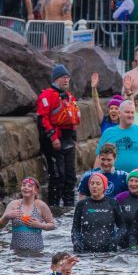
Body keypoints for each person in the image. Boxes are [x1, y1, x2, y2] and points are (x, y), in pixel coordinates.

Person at [36, 64, 81, 207]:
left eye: (67, 77)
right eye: (63, 77)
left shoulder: (69, 97)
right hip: (54, 141)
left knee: (71, 177)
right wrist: (53, 137)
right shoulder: (47, 95)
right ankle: (53, 208)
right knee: (57, 177)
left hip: (68, 141)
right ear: (55, 79)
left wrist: (74, 139)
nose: (66, 80)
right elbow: (42, 119)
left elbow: (72, 120)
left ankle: (68, 207)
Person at [96, 101, 138, 174]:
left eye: (132, 113)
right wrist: (95, 176)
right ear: (119, 113)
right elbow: (99, 157)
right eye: (127, 112)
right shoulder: (108, 133)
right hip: (113, 178)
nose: (130, 115)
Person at [72, 173, 126, 253]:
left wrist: (115, 240)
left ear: (104, 186)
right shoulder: (81, 205)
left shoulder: (113, 203)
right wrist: (76, 241)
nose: (94, 186)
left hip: (108, 251)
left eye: (98, 184)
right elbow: (75, 228)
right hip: (85, 252)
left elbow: (122, 227)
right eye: (92, 183)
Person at [0, 177, 55, 250]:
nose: (25, 188)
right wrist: (7, 217)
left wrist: (40, 225)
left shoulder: (41, 205)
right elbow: (0, 225)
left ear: (36, 191)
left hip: (36, 253)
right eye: (24, 185)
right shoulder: (13, 204)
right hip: (16, 254)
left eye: (30, 186)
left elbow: (52, 225)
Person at [114, 169, 138, 248]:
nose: (133, 184)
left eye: (137, 181)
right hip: (125, 245)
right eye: (131, 180)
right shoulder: (121, 197)